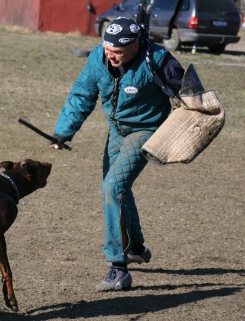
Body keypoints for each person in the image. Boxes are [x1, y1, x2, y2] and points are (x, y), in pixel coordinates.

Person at [50, 17, 184, 291]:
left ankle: (118, 268)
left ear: (135, 45)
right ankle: (134, 246)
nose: (110, 55)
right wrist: (64, 131)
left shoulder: (158, 60)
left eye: (117, 51)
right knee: (118, 189)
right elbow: (82, 94)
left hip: (147, 130)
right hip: (116, 130)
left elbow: (190, 96)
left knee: (113, 187)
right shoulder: (99, 56)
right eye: (107, 48)